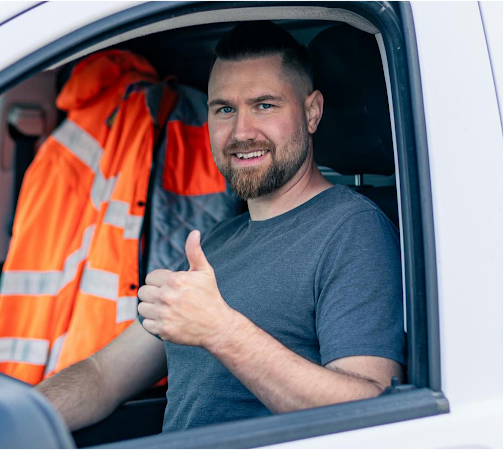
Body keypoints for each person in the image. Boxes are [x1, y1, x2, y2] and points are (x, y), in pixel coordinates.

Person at [35, 21, 405, 433]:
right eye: (225, 109)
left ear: (312, 112)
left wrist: (221, 330)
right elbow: (104, 375)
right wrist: (10, 418)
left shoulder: (352, 229)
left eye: (264, 105)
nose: (242, 133)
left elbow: (370, 411)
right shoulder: (215, 241)